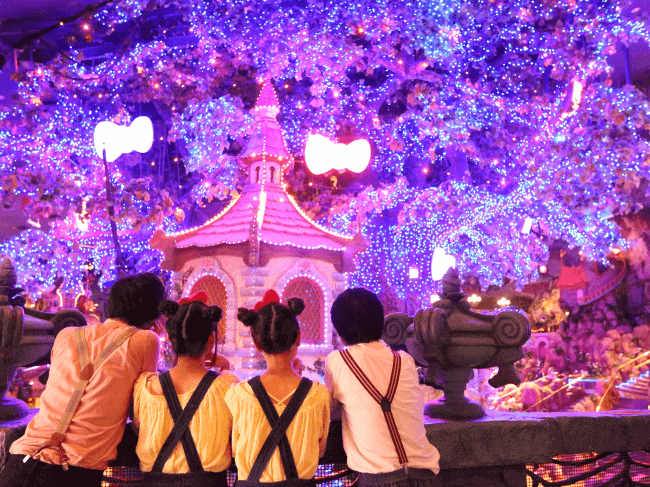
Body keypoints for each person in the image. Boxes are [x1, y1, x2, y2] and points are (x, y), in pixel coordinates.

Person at [2, 272, 165, 487]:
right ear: (151, 311)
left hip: (20, 462)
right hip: (73, 473)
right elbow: (141, 411)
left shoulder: (67, 335)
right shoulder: (146, 340)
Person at [324, 288, 440, 487]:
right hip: (425, 476)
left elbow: (329, 407)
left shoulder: (338, 361)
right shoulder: (404, 360)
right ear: (381, 324)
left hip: (380, 479)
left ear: (340, 334)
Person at [225, 292, 330, 485]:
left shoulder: (237, 395)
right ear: (298, 338)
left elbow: (232, 450)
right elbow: (320, 450)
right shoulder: (318, 395)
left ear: (257, 344)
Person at [133, 299, 239, 486]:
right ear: (211, 341)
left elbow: (138, 427)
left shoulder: (146, 388)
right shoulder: (226, 388)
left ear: (171, 340)